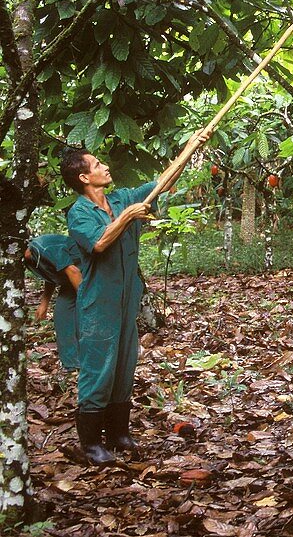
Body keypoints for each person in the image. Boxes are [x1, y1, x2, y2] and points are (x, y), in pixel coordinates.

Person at [61, 134, 207, 465]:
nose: (105, 166)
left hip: (127, 299)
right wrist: (126, 216)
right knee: (99, 368)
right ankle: (90, 444)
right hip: (99, 302)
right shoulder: (79, 213)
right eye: (98, 164)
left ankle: (117, 433)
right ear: (84, 177)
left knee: (125, 365)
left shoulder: (122, 196)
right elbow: (99, 243)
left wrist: (190, 146)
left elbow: (163, 182)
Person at [24, 234, 84, 371]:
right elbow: (51, 274)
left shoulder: (43, 248)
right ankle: (72, 365)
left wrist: (85, 303)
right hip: (71, 280)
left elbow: (73, 271)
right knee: (62, 316)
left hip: (87, 272)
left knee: (84, 316)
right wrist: (44, 303)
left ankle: (92, 360)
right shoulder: (29, 259)